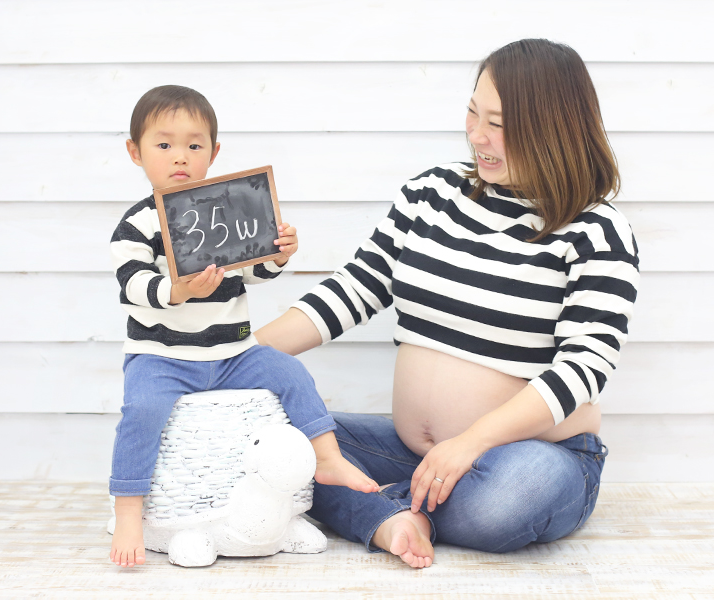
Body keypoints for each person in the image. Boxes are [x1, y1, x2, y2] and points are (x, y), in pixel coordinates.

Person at [255, 39, 639, 569]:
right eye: (472, 111)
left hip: (528, 458)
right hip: (412, 453)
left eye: (498, 124)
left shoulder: (595, 231)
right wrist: (239, 356)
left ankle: (378, 509)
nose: (477, 136)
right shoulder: (431, 195)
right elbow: (355, 288)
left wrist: (471, 443)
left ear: (553, 127)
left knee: (516, 497)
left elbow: (585, 368)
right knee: (271, 439)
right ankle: (397, 516)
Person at [108, 85, 379, 569]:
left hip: (234, 352)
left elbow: (252, 269)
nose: (180, 157)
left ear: (214, 153)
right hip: (163, 357)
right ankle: (129, 509)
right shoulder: (139, 224)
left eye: (194, 145)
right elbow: (132, 284)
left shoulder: (226, 210)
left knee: (291, 374)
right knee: (142, 410)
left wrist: (277, 254)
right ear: (136, 152)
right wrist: (178, 290)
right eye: (163, 144)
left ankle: (329, 455)